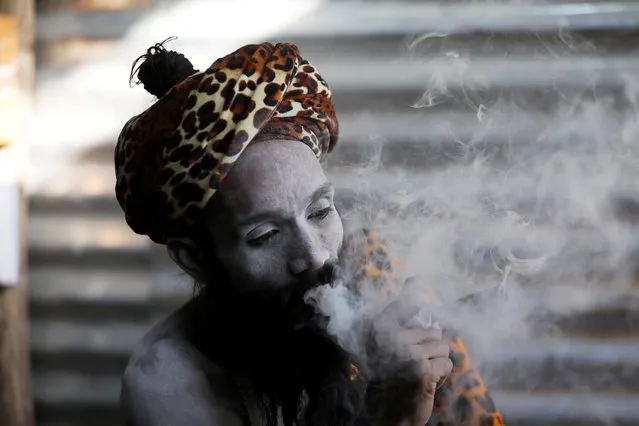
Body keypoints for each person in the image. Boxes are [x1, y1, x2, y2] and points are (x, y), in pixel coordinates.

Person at [115, 39, 506, 426]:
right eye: (265, 235)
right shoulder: (168, 382)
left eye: (320, 211)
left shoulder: (378, 276)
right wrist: (389, 417)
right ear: (197, 257)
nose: (315, 256)